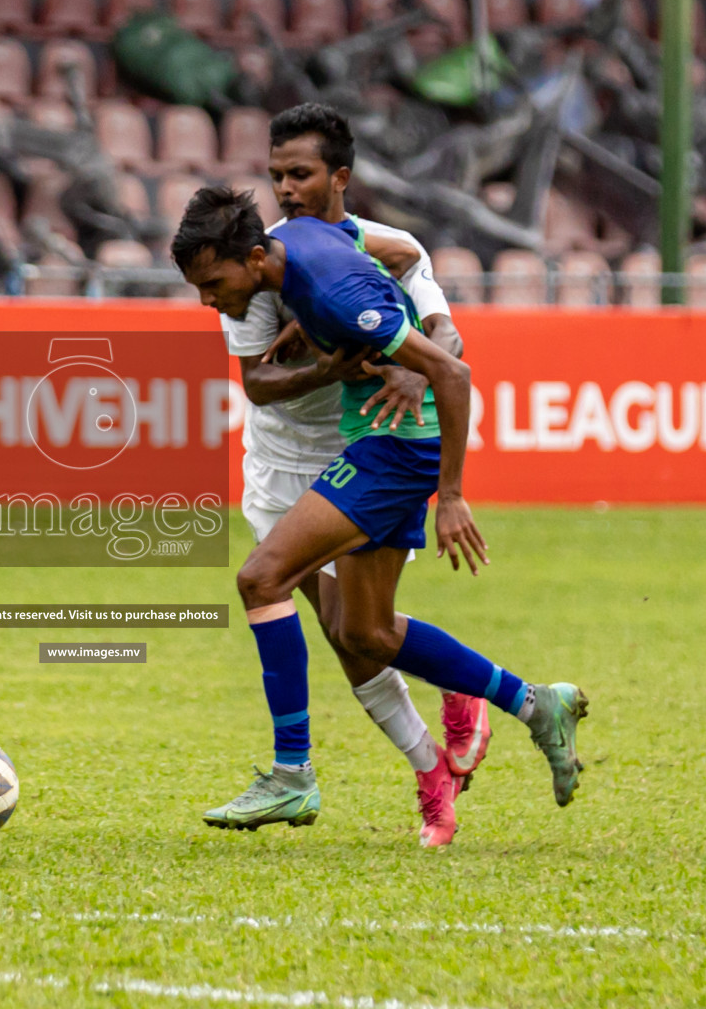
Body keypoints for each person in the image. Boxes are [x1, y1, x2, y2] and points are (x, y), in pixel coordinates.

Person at [173, 185, 588, 845]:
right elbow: (396, 252)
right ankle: (536, 704)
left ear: (254, 259)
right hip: (379, 439)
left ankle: (291, 774)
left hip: (395, 448)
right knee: (362, 631)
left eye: (212, 282)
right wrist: (308, 327)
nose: (205, 299)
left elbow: (452, 375)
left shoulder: (334, 292)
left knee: (260, 580)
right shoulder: (304, 237)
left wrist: (449, 495)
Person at [210, 104, 487, 847]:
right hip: (278, 464)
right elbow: (258, 385)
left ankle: (341, 764)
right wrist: (333, 367)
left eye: (297, 174)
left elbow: (428, 303)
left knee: (356, 632)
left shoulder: (355, 248)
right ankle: (431, 762)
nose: (286, 190)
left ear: (338, 177)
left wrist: (420, 359)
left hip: (352, 450)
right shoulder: (249, 271)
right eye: (275, 177)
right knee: (348, 635)